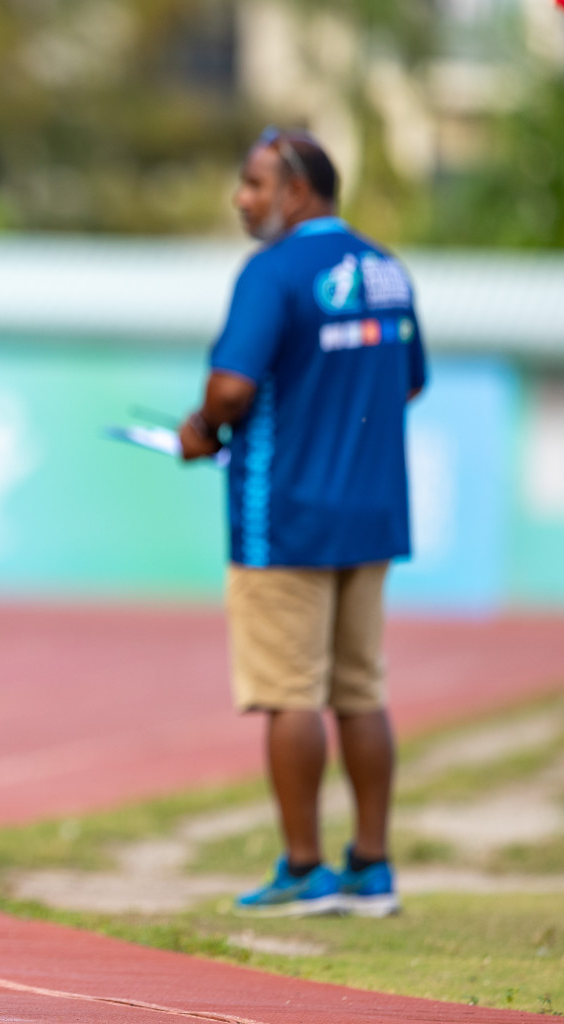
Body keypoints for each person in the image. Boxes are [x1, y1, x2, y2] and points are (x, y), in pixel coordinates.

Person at [179, 128, 425, 918]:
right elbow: (408, 382)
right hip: (373, 511)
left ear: (298, 190)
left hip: (283, 515)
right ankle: (372, 869)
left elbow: (228, 392)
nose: (242, 200)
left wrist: (201, 431)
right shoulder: (387, 269)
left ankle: (306, 868)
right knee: (360, 691)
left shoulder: (273, 271)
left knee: (289, 693)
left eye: (254, 184)